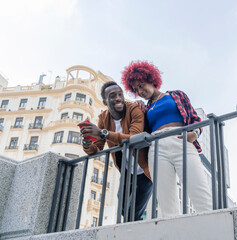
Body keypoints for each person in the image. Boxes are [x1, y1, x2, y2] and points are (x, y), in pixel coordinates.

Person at [121, 61, 212, 218]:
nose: (140, 91)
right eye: (136, 90)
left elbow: (195, 119)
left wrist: (195, 133)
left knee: (200, 193)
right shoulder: (145, 108)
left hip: (182, 140)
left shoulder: (176, 95)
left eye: (141, 85)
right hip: (157, 148)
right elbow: (138, 129)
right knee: (166, 203)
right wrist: (138, 109)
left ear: (151, 79)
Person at [78, 81, 153, 221]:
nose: (118, 98)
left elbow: (133, 137)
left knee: (133, 213)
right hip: (127, 171)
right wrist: (87, 144)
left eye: (120, 94)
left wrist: (103, 133)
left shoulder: (134, 109)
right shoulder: (103, 118)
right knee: (124, 210)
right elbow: (97, 147)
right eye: (112, 96)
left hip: (145, 169)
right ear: (105, 102)